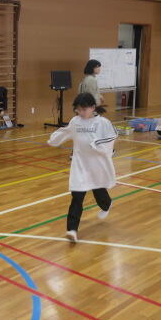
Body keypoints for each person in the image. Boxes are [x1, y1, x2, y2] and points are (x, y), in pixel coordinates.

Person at [47, 92, 117, 242]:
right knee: (77, 196)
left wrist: (97, 145)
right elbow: (66, 132)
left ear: (93, 107)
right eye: (78, 110)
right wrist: (54, 139)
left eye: (84, 109)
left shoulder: (103, 123)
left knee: (98, 190)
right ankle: (72, 230)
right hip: (80, 165)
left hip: (97, 165)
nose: (80, 112)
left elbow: (111, 138)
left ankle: (107, 204)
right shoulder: (76, 121)